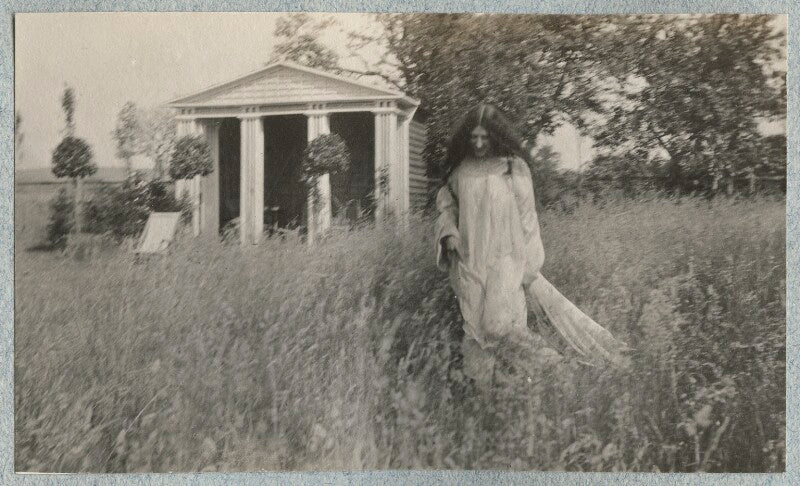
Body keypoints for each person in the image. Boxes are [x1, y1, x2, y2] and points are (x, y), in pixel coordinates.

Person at [435, 104, 627, 388]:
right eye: (473, 138)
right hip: (470, 260)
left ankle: (554, 364)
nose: (477, 144)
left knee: (497, 326)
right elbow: (446, 208)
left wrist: (529, 267)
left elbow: (528, 219)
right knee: (475, 332)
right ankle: (492, 396)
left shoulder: (515, 169)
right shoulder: (460, 171)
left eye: (484, 138)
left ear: (496, 137)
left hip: (507, 259)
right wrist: (448, 233)